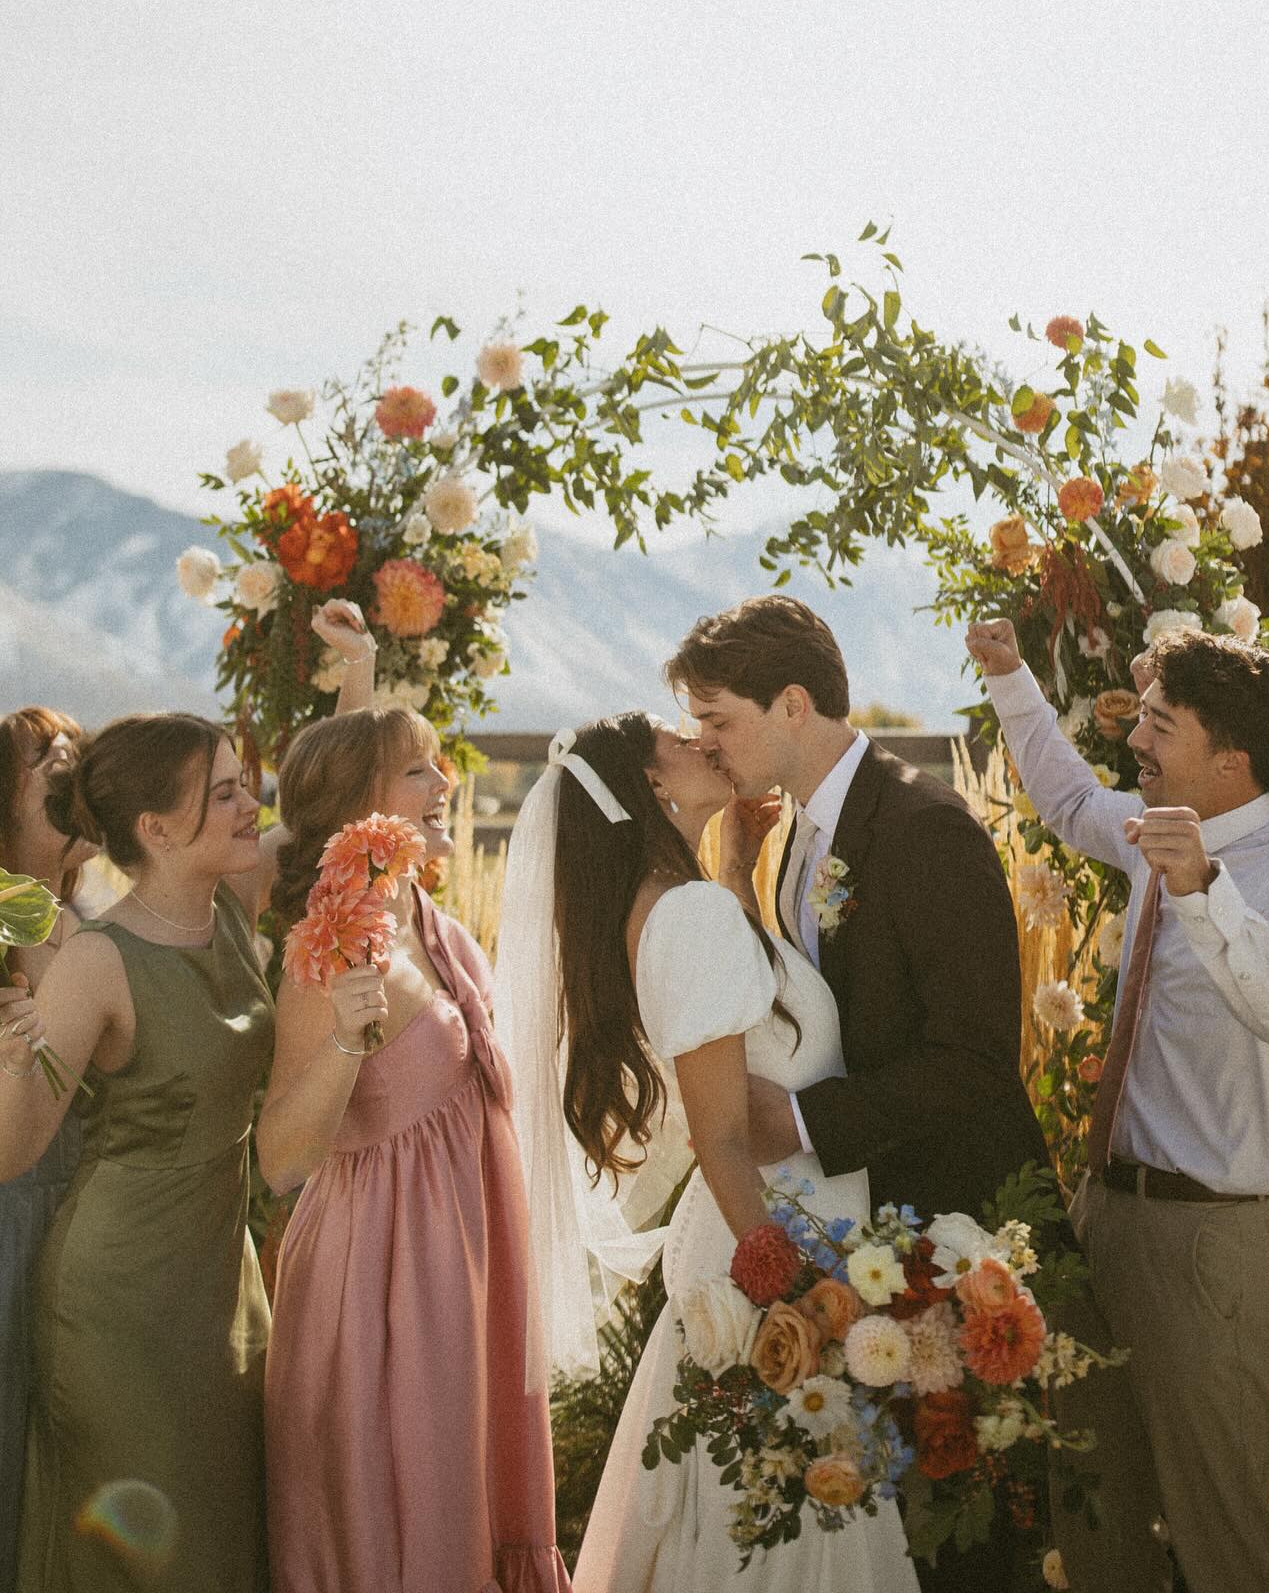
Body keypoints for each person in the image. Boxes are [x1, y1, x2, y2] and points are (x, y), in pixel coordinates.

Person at [665, 595, 1051, 1593]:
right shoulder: (793, 833)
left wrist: (792, 1120)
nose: (708, 745)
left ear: (793, 703)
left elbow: (973, 1058)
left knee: (967, 1534)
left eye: (720, 721)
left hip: (949, 1225)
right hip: (861, 1229)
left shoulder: (925, 830)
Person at [967, 616, 1269, 1593]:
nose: (1134, 741)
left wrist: (1205, 889)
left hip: (1214, 1253)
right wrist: (1012, 677)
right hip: (1109, 1219)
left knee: (1226, 1540)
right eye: (1140, 719)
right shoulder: (1149, 834)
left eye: (1159, 725)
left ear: (1229, 760)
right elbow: (1063, 798)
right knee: (1094, 1513)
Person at [498, 712, 920, 1591]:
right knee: (775, 1522)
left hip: (758, 1230)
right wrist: (796, 1293)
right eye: (680, 743)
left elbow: (733, 1013)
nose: (705, 744)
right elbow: (721, 1136)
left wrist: (730, 865)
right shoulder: (685, 914)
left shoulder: (672, 901)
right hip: (762, 1239)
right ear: (654, 787)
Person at [0, 601, 374, 1593]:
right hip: (114, 1302)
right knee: (149, 1553)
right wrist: (10, 1064)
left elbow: (339, 822)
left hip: (222, 1289)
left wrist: (359, 676)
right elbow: (15, 1149)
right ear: (158, 829)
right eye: (224, 793)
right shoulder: (96, 965)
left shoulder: (234, 907)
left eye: (243, 785)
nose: (249, 802)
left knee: (221, 1525)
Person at [258, 704, 569, 1593]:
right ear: (361, 807)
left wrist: (360, 681)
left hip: (467, 1259)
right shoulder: (330, 952)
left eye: (439, 766)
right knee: (412, 1511)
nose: (446, 787)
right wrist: (346, 1042)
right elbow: (280, 1160)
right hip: (386, 1284)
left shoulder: (426, 916)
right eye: (419, 773)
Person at [0, 708, 97, 1593]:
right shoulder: (15, 907)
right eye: (43, 754)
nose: (68, 760)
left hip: (86, 1209)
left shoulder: (79, 909)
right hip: (19, 1208)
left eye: (76, 745)